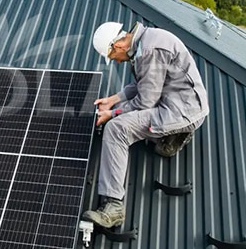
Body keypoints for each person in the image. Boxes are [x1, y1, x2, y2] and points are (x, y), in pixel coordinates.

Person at [84, 21, 209, 228]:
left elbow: (145, 102)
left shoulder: (149, 50)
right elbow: (143, 83)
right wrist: (114, 99)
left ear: (118, 46)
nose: (116, 62)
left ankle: (114, 205)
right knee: (126, 118)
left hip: (180, 111)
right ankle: (171, 137)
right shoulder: (146, 41)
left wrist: (113, 114)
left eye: (113, 58)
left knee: (116, 129)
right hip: (176, 102)